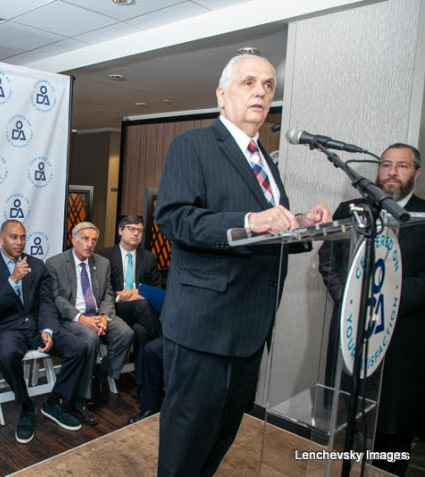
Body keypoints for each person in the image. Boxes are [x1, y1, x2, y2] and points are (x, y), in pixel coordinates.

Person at [154, 53, 332, 476]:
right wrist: (250, 220)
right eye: (248, 82)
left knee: (222, 434)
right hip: (204, 328)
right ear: (222, 94)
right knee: (187, 442)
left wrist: (302, 221)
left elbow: (269, 229)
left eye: (268, 85)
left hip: (251, 328)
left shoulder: (264, 160)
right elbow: (174, 218)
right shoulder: (193, 145)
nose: (260, 92)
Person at [318, 143, 425, 476]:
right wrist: (352, 301)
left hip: (402, 348)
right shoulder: (351, 209)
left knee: (391, 443)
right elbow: (329, 261)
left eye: (402, 166)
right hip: (352, 341)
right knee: (345, 432)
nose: (392, 172)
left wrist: (383, 304)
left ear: (417, 173)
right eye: (386, 164)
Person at [0, 219, 87, 443]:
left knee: (78, 347)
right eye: (13, 237)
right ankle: (26, 406)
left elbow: (46, 302)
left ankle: (53, 402)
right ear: (1, 240)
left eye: (23, 237)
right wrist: (12, 280)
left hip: (36, 326)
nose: (19, 242)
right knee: (7, 353)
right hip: (6, 328)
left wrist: (47, 329)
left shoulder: (37, 265)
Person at [45, 222, 134, 426]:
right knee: (90, 337)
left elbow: (108, 293)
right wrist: (81, 318)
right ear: (73, 239)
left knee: (125, 333)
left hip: (97, 314)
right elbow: (55, 298)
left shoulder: (102, 263)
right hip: (71, 319)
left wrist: (103, 317)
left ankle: (99, 373)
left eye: (94, 240)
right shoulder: (55, 263)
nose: (90, 244)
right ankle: (80, 400)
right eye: (85, 239)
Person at [97, 214, 162, 394]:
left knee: (141, 331)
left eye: (139, 231)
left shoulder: (148, 258)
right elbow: (99, 291)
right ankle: (165, 341)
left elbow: (156, 290)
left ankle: (143, 385)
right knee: (142, 306)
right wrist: (122, 296)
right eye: (131, 229)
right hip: (115, 308)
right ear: (120, 231)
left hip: (141, 313)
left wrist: (138, 292)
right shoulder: (104, 256)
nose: (136, 234)